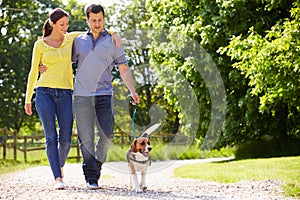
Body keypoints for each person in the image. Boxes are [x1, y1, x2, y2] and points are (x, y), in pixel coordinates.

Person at [24, 8, 121, 190]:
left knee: (66, 138)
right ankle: (57, 177)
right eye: (62, 24)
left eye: (67, 24)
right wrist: (28, 98)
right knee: (51, 136)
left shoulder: (70, 38)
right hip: (44, 92)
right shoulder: (40, 45)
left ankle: (58, 164)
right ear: (52, 24)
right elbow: (32, 72)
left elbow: (96, 30)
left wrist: (115, 33)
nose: (65, 27)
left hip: (66, 93)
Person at [72, 4, 140, 190]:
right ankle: (91, 178)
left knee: (107, 134)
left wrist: (132, 90)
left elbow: (123, 68)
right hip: (82, 96)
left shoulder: (113, 41)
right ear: (87, 20)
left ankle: (96, 167)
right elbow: (62, 59)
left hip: (104, 94)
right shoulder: (78, 41)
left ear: (104, 19)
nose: (96, 23)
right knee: (85, 138)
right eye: (93, 20)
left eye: (100, 20)